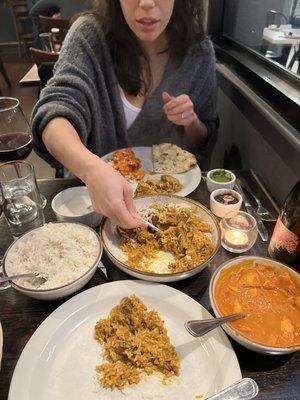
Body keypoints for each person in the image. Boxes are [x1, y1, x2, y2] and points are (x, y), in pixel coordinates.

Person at [31, 0, 219, 229]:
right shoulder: (89, 36)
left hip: (172, 212)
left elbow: (203, 140)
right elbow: (54, 112)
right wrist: (90, 170)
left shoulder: (198, 53)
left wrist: (191, 122)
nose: (147, 3)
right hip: (91, 209)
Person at [28, 0, 92, 48]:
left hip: (67, 50)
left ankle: (43, 52)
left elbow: (34, 13)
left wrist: (49, 44)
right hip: (96, 49)